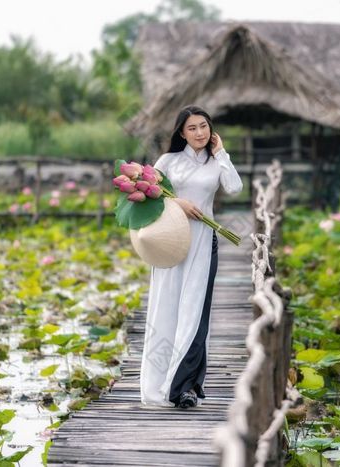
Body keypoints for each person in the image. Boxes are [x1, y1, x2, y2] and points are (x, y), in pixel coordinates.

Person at [139, 105, 243, 408]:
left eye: (204, 126)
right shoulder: (168, 161)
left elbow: (235, 188)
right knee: (168, 306)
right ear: (181, 133)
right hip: (171, 240)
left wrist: (222, 153)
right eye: (192, 128)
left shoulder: (215, 162)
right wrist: (177, 203)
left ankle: (186, 387)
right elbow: (148, 193)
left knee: (196, 311)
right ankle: (161, 380)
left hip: (203, 242)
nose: (200, 133)